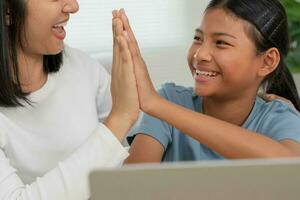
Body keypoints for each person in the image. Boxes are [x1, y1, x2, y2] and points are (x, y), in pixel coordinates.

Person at [114, 0, 300, 163]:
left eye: (221, 42)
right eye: (198, 38)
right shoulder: (171, 100)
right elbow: (129, 190)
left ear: (267, 61)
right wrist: (159, 106)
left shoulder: (279, 117)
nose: (200, 54)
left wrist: (157, 105)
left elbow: (290, 165)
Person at [0, 0, 139, 199]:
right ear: (8, 11)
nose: (73, 6)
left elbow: (143, 136)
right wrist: (119, 119)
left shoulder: (80, 66)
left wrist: (137, 79)